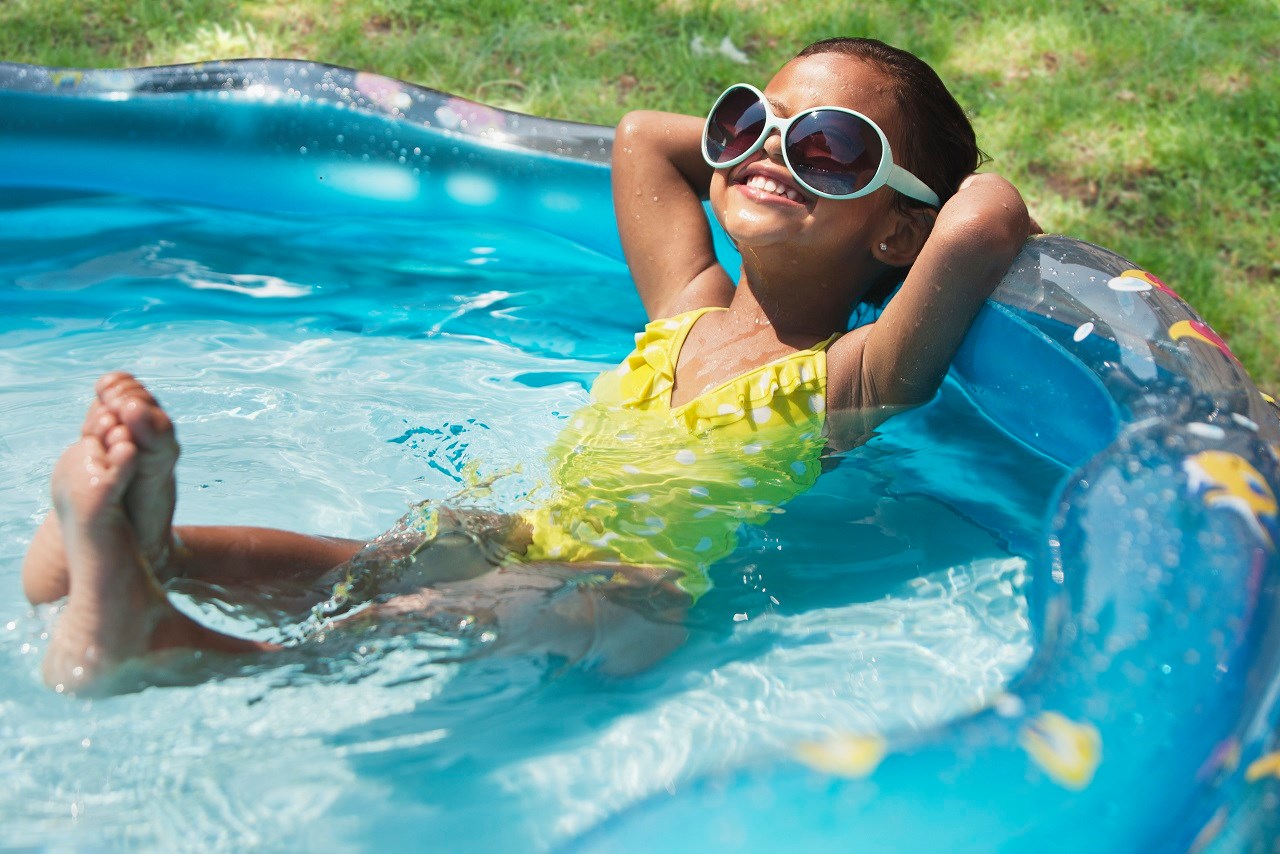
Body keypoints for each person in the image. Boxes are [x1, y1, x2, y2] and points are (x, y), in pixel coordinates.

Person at [22, 37, 1030, 694]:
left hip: (629, 593)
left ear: (898, 231)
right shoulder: (686, 309)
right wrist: (780, 148)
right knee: (397, 549)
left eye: (831, 150)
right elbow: (640, 140)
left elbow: (983, 211)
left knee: (461, 603)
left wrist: (880, 186)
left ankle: (181, 651)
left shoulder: (846, 378)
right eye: (747, 125)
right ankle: (150, 548)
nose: (769, 154)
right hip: (530, 532)